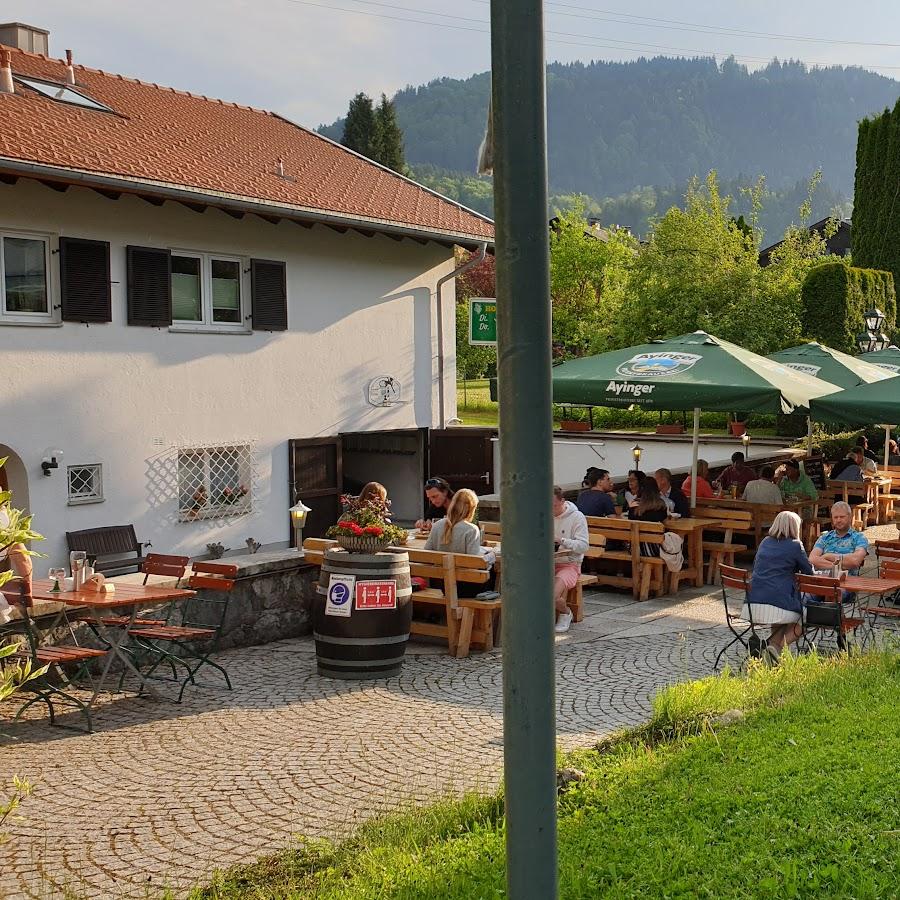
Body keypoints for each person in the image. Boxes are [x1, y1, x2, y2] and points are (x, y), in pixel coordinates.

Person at [743, 510, 813, 664]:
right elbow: (809, 572)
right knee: (805, 619)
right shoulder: (795, 545)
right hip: (778, 603)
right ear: (795, 528)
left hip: (752, 604)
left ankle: (773, 655)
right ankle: (776, 646)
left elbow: (757, 566)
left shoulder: (764, 542)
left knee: (781, 618)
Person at [424, 489, 495, 595]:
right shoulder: (471, 529)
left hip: (443, 586)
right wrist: (492, 555)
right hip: (468, 587)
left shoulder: (437, 525)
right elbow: (474, 563)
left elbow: (427, 552)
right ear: (471, 509)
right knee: (493, 570)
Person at [552, 486, 589, 634]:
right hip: (545, 562)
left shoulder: (576, 517)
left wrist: (561, 540)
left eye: (553, 505)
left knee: (552, 596)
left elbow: (583, 546)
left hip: (569, 563)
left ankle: (565, 612)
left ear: (563, 501)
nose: (550, 509)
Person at [809, 501, 869, 578]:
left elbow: (855, 560)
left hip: (847, 583)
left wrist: (828, 556)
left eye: (842, 517)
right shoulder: (824, 538)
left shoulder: (859, 538)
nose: (838, 520)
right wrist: (837, 567)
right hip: (823, 581)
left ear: (850, 517)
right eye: (836, 517)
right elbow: (812, 560)